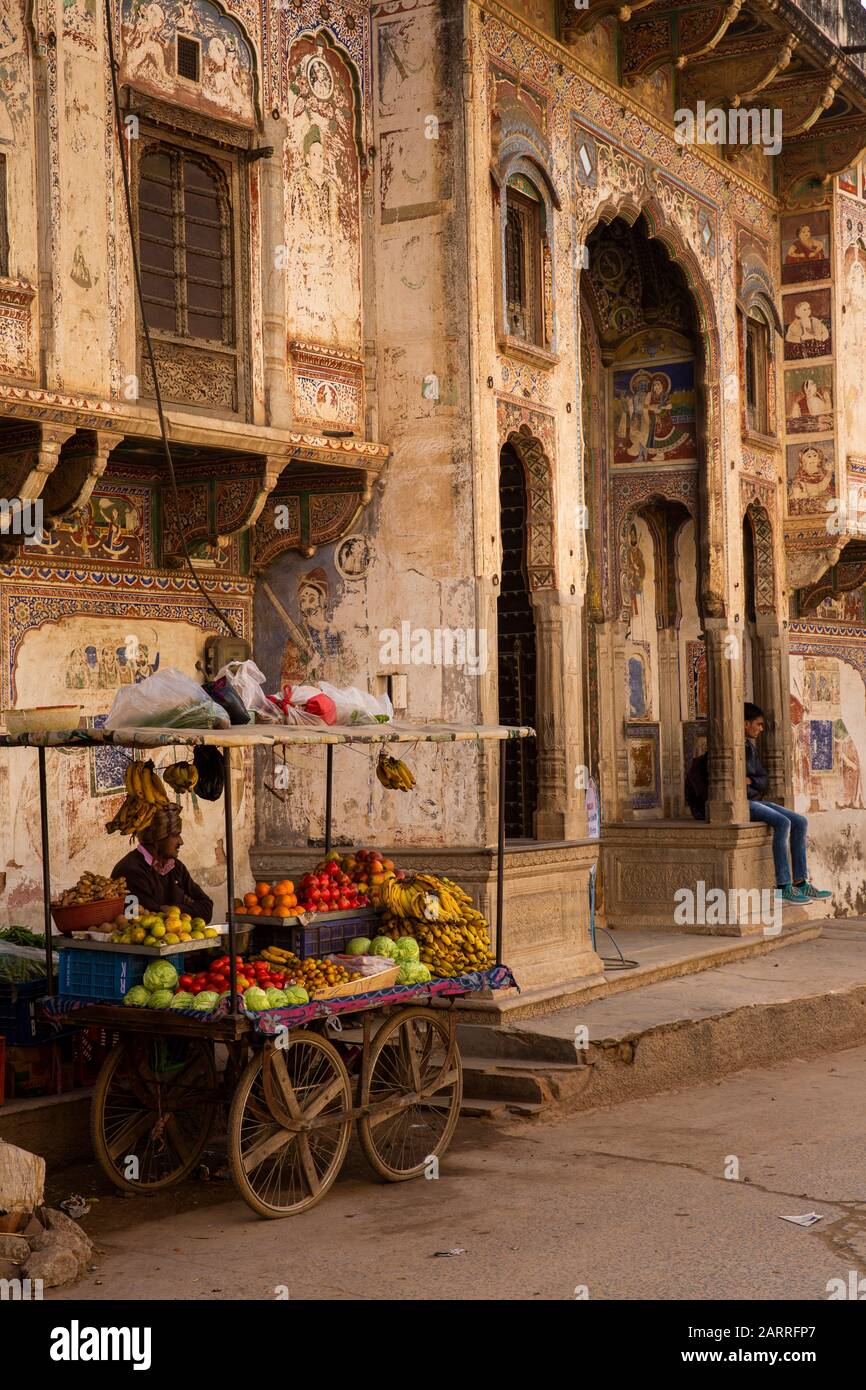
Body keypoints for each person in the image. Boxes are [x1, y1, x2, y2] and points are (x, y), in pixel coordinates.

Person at [744, 703, 830, 903]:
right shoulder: (732, 749)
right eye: (758, 724)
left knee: (800, 821)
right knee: (783, 823)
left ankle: (801, 883)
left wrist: (751, 781)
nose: (761, 728)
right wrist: (751, 783)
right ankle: (783, 885)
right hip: (742, 802)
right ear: (746, 723)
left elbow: (763, 779)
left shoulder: (749, 747)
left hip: (754, 798)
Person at [112, 804, 213, 922]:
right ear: (157, 838)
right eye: (175, 835)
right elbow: (149, 918)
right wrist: (189, 906)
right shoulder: (130, 870)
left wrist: (174, 909)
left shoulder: (176, 867)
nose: (181, 841)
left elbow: (207, 908)